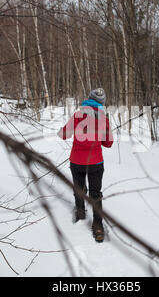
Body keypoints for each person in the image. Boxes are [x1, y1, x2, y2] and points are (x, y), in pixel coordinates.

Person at [57, 88, 113, 242]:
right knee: (95, 194)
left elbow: (64, 135)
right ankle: (98, 227)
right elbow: (108, 143)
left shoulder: (78, 115)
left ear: (88, 99)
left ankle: (80, 211)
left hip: (77, 161)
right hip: (95, 162)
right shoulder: (103, 119)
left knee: (79, 188)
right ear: (102, 103)